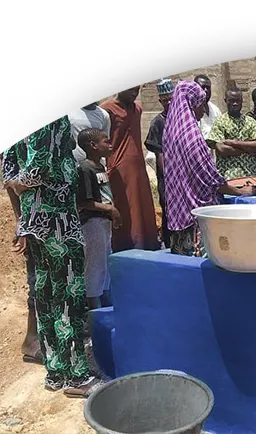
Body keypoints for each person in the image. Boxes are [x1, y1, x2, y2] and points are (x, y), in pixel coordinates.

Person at [4, 117, 99, 397]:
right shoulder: (47, 114)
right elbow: (38, 167)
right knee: (68, 294)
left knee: (46, 295)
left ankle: (56, 371)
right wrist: (22, 182)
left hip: (35, 220)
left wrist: (19, 200)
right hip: (57, 220)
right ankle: (77, 377)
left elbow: (7, 166)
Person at [163, 81, 254, 256]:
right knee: (201, 269)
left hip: (179, 214)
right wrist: (241, 192)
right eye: (200, 104)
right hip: (197, 218)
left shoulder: (171, 131)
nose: (203, 110)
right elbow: (210, 178)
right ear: (191, 103)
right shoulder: (191, 137)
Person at [101, 87, 160, 252]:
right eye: (131, 89)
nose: (135, 93)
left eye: (137, 89)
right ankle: (124, 248)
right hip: (118, 169)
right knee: (124, 208)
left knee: (141, 207)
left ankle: (145, 245)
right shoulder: (107, 110)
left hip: (138, 167)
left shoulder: (137, 109)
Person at [2, 141, 42, 365]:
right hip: (33, 220)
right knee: (38, 278)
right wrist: (21, 221)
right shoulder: (17, 139)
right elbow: (10, 180)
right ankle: (32, 339)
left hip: (54, 219)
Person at [76, 128, 121, 310]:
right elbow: (85, 202)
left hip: (103, 222)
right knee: (94, 266)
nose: (110, 144)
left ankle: (106, 302)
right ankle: (94, 309)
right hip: (92, 224)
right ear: (93, 146)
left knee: (104, 262)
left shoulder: (100, 167)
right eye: (106, 141)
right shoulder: (85, 169)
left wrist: (111, 214)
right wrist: (110, 209)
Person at [207, 88, 256, 180]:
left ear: (242, 101)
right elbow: (222, 149)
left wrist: (233, 143)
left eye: (237, 100)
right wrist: (248, 149)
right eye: (231, 101)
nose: (235, 104)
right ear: (225, 101)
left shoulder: (250, 121)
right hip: (228, 178)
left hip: (250, 176)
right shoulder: (220, 122)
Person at [144, 78, 174, 248]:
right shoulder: (158, 122)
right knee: (168, 212)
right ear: (160, 101)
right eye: (165, 100)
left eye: (171, 99)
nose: (168, 103)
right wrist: (170, 177)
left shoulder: (183, 118)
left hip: (184, 175)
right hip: (168, 178)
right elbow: (159, 153)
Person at [194, 74, 222, 139]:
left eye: (208, 88)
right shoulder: (190, 111)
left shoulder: (215, 110)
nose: (206, 90)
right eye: (202, 87)